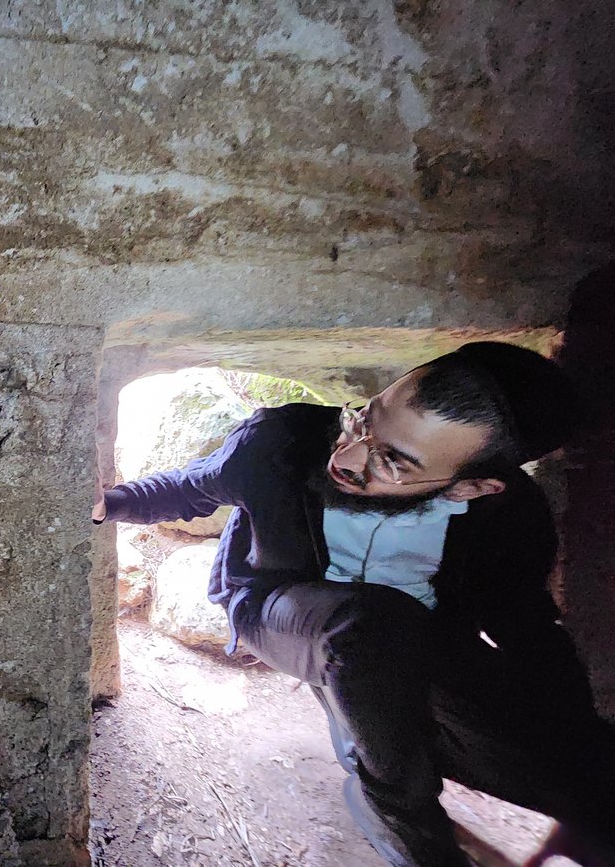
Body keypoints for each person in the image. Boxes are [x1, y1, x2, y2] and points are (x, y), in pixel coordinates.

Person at [92, 342, 615, 866]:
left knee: (585, 767)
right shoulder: (284, 441)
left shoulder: (511, 518)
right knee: (375, 626)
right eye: (361, 419)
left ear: (473, 487)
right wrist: (106, 504)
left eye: (392, 462)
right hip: (283, 610)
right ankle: (403, 816)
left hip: (425, 636)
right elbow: (190, 489)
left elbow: (528, 626)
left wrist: (573, 731)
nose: (347, 457)